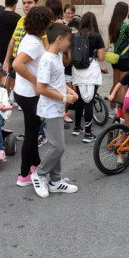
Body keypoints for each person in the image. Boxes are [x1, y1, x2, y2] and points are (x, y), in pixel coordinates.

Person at [31, 23, 79, 198]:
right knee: (58, 147)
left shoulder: (57, 56)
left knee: (56, 145)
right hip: (50, 110)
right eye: (68, 40)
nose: (69, 44)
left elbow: (56, 82)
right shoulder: (46, 60)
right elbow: (41, 88)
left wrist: (69, 90)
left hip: (57, 108)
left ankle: (56, 180)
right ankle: (39, 174)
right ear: (59, 39)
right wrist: (66, 98)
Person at [13, 6, 53, 187]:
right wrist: (36, 82)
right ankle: (24, 175)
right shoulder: (34, 43)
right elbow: (17, 64)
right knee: (31, 134)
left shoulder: (33, 39)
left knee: (33, 130)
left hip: (24, 92)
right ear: (42, 24)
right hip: (29, 95)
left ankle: (35, 164)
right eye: (49, 22)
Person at [71, 12, 106, 143]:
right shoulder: (97, 36)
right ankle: (88, 133)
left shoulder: (74, 36)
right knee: (89, 101)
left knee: (80, 99)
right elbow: (102, 57)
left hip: (78, 70)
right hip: (92, 71)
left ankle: (77, 127)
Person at [107, 2, 129, 115]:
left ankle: (112, 109)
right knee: (123, 86)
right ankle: (121, 112)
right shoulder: (125, 26)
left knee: (115, 84)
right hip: (125, 59)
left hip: (115, 59)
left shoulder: (112, 25)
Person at [3, 0, 39, 75]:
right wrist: (6, 61)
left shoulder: (39, 22)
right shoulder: (21, 20)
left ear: (36, 4)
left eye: (29, 2)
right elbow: (13, 40)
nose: (26, 5)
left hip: (31, 65)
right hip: (16, 61)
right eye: (24, 3)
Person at [0, 0, 21, 96]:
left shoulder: (0, 16)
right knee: (13, 74)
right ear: (14, 5)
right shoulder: (17, 17)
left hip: (1, 48)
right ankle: (11, 94)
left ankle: (4, 94)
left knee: (4, 72)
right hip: (13, 49)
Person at [62, 4, 80, 124]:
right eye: (68, 13)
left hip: (75, 57)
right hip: (65, 55)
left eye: (72, 13)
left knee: (74, 87)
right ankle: (63, 113)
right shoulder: (61, 24)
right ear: (64, 13)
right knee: (69, 89)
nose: (70, 15)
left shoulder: (76, 24)